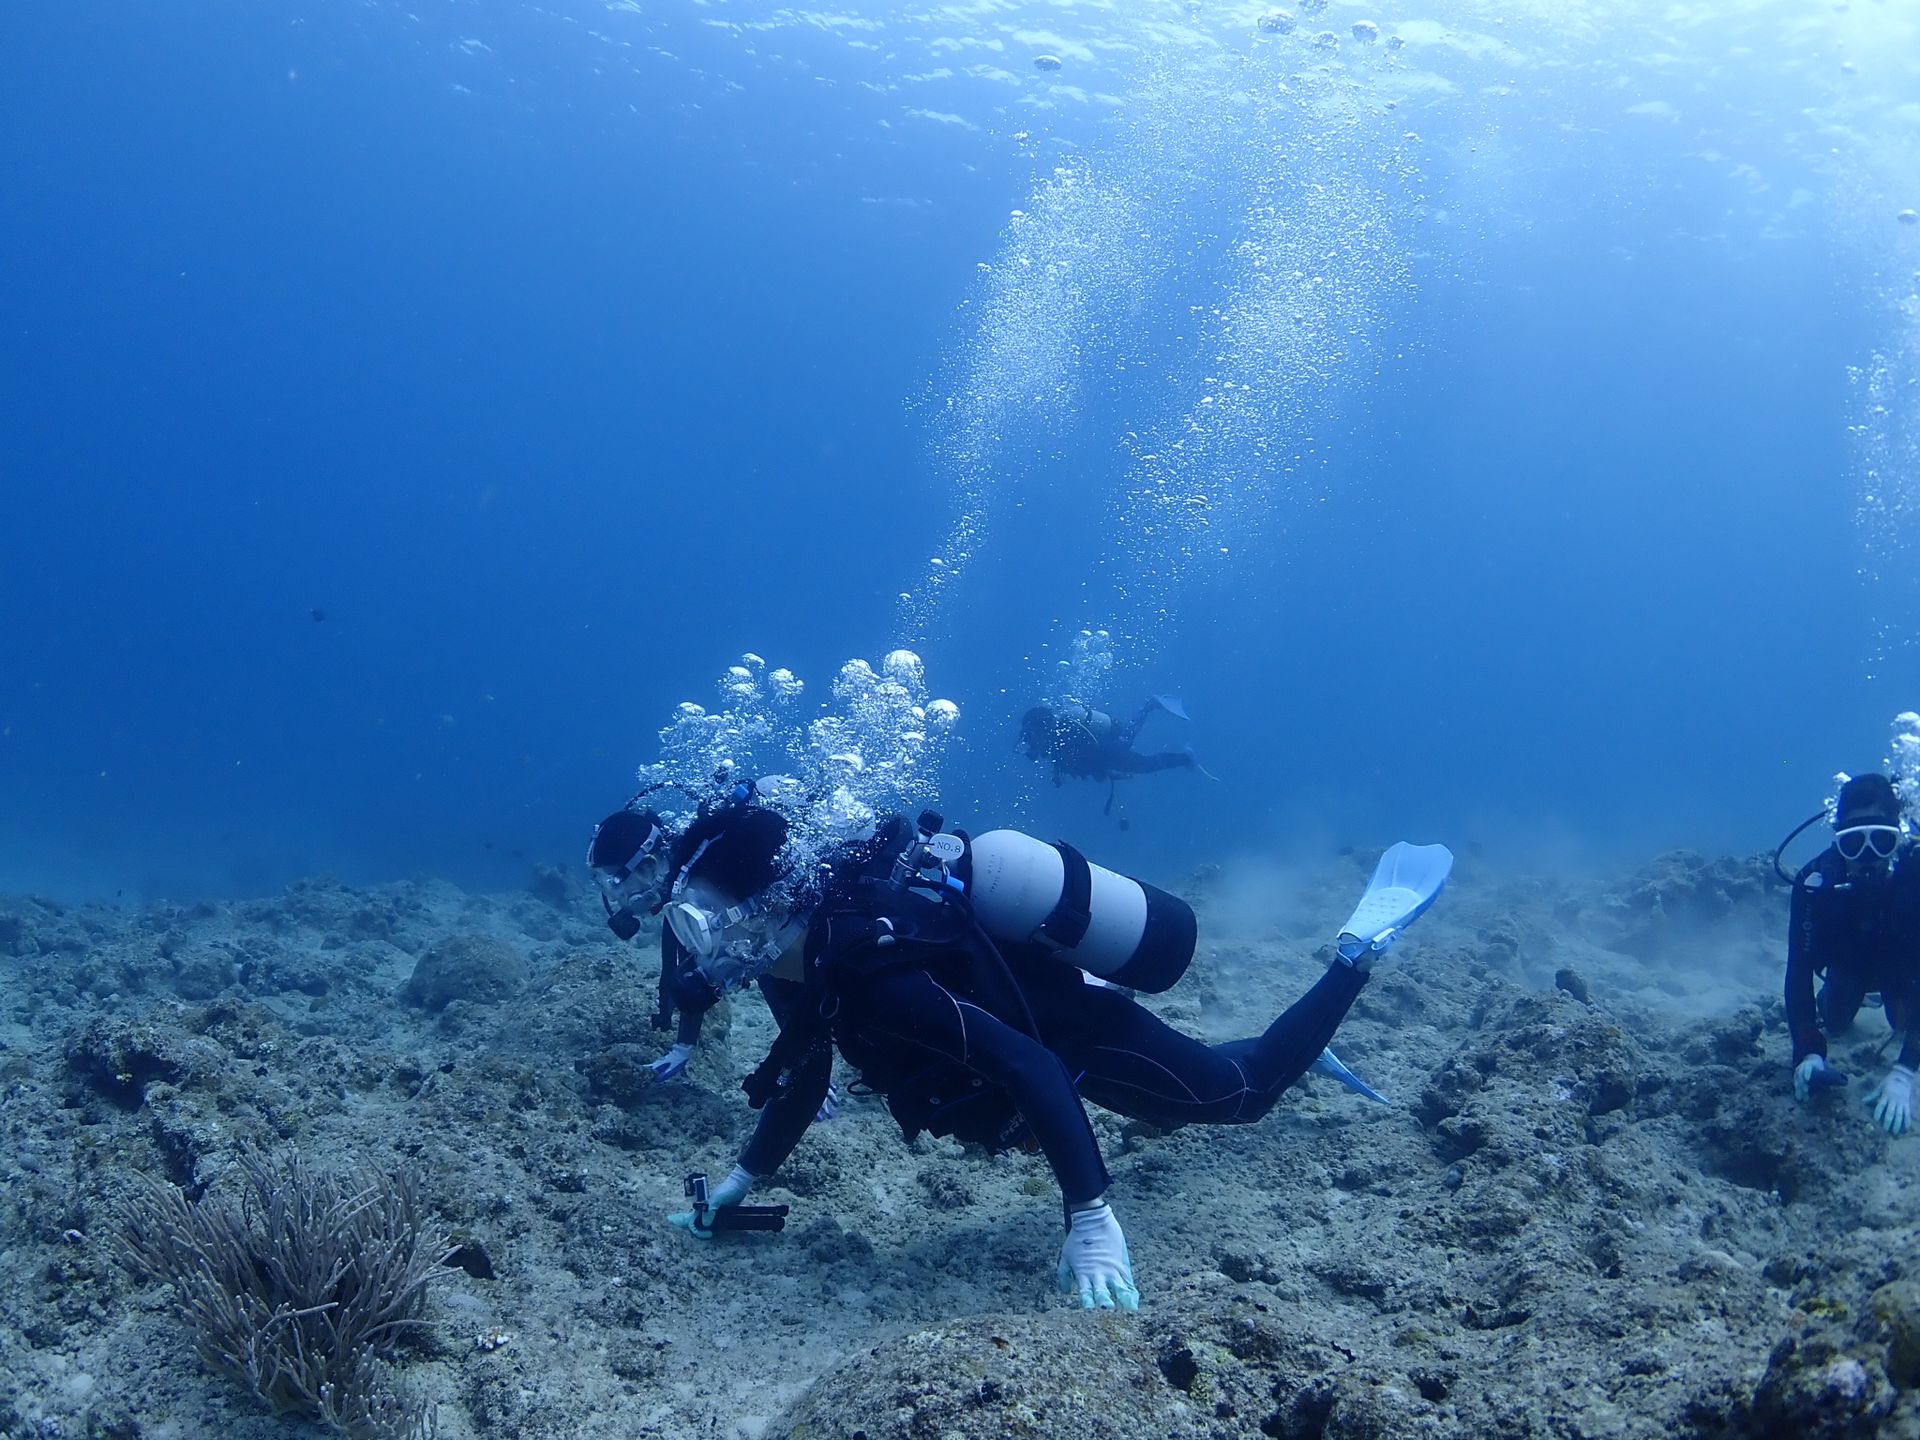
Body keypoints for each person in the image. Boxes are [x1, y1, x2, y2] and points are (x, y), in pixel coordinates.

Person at [658, 795, 1451, 1310]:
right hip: (1038, 1058)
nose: (697, 948)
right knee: (1211, 1085)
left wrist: (1091, 1217)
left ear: (766, 902)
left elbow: (1028, 1067)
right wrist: (738, 1184)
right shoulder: (797, 961)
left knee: (1239, 1097)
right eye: (686, 922)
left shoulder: (868, 967)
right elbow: (803, 1078)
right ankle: (1302, 1040)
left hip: (1075, 1039)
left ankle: (1355, 951)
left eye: (706, 921)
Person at [588, 802, 837, 1115]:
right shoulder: (679, 880)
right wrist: (683, 1047)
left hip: (812, 925)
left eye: (613, 882)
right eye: (601, 883)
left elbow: (751, 960)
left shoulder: (703, 881)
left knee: (771, 967)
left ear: (648, 866)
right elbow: (690, 963)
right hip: (779, 941)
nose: (613, 897)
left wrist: (807, 1070)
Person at [1784, 772, 1920, 1136]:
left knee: (1904, 1022)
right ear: (1836, 840)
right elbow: (1797, 973)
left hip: (1906, 975)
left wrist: (1904, 1071)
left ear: (1900, 837)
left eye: (1881, 841)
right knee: (1836, 1020)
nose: (1867, 858)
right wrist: (1808, 1051)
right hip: (1848, 970)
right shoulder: (1815, 885)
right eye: (1853, 844)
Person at [1019, 696, 1211, 807]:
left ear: (1041, 729)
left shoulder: (1066, 735)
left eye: (1031, 736)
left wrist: (1106, 772)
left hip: (1111, 750)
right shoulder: (1057, 742)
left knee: (1142, 760)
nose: (1030, 743)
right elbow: (1082, 761)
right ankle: (1184, 755)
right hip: (1108, 754)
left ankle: (1152, 707)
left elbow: (1091, 755)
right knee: (1140, 756)